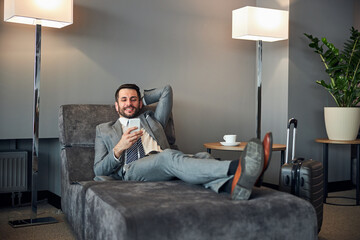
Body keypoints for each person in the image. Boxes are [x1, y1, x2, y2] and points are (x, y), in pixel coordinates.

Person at [94, 84, 272, 200]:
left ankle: (232, 186)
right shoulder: (104, 129)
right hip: (132, 169)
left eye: (133, 99)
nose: (128, 104)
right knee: (168, 157)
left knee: (201, 156)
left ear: (139, 103)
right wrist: (119, 148)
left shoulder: (152, 120)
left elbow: (166, 91)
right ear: (116, 105)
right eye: (123, 100)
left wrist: (143, 99)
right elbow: (98, 169)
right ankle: (238, 167)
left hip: (164, 163)